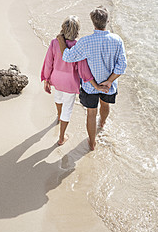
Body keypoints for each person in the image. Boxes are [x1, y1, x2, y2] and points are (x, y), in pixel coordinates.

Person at [57, 6, 127, 150]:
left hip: (90, 86)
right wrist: (109, 81)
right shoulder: (117, 40)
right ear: (107, 21)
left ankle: (92, 142)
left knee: (91, 113)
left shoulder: (85, 41)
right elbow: (122, 66)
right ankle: (102, 122)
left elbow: (68, 57)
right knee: (105, 105)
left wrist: (61, 41)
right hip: (109, 85)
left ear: (92, 22)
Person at [41, 15, 108, 146]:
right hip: (70, 83)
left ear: (63, 28)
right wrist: (95, 85)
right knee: (68, 109)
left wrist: (46, 78)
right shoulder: (78, 46)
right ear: (77, 30)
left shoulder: (55, 42)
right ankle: (61, 137)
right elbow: (83, 70)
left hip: (56, 78)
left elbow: (49, 62)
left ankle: (58, 116)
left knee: (58, 97)